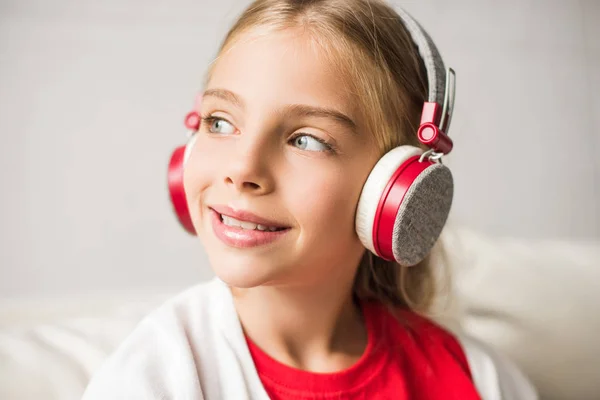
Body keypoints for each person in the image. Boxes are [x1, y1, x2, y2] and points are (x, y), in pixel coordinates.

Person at [83, 0, 538, 398]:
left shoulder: (479, 378)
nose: (242, 170)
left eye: (307, 140)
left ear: (396, 189)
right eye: (220, 122)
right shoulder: (156, 377)